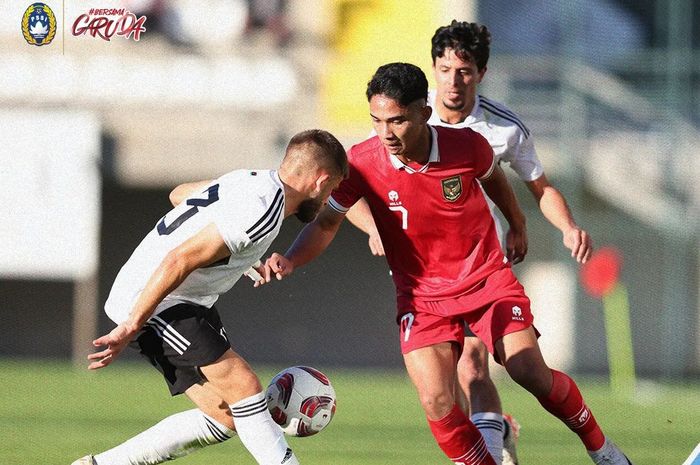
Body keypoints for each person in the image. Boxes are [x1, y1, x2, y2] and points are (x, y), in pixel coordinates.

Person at [261, 63, 633, 465]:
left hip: (486, 280)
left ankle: (604, 451)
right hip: (421, 297)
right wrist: (292, 259)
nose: (386, 132)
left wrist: (517, 223)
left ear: (424, 110)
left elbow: (497, 183)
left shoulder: (467, 146)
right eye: (377, 120)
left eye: (397, 120)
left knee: (529, 372)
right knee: (438, 400)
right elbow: (328, 221)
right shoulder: (363, 162)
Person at [345, 20, 594, 464]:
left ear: (481, 73)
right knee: (446, 392)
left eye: (464, 71)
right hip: (421, 276)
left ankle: (493, 450)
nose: (453, 81)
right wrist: (374, 228)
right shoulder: (403, 119)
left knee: (475, 368)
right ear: (433, 71)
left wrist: (563, 226)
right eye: (444, 69)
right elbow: (358, 185)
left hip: (481, 266)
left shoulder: (503, 128)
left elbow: (541, 187)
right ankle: (496, 438)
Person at [71, 129, 348, 465]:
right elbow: (179, 259)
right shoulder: (264, 209)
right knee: (244, 385)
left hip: (182, 297)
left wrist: (241, 257)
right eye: (331, 190)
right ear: (320, 181)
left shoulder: (249, 180)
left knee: (227, 415)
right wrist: (132, 323)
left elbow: (179, 196)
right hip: (157, 298)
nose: (325, 203)